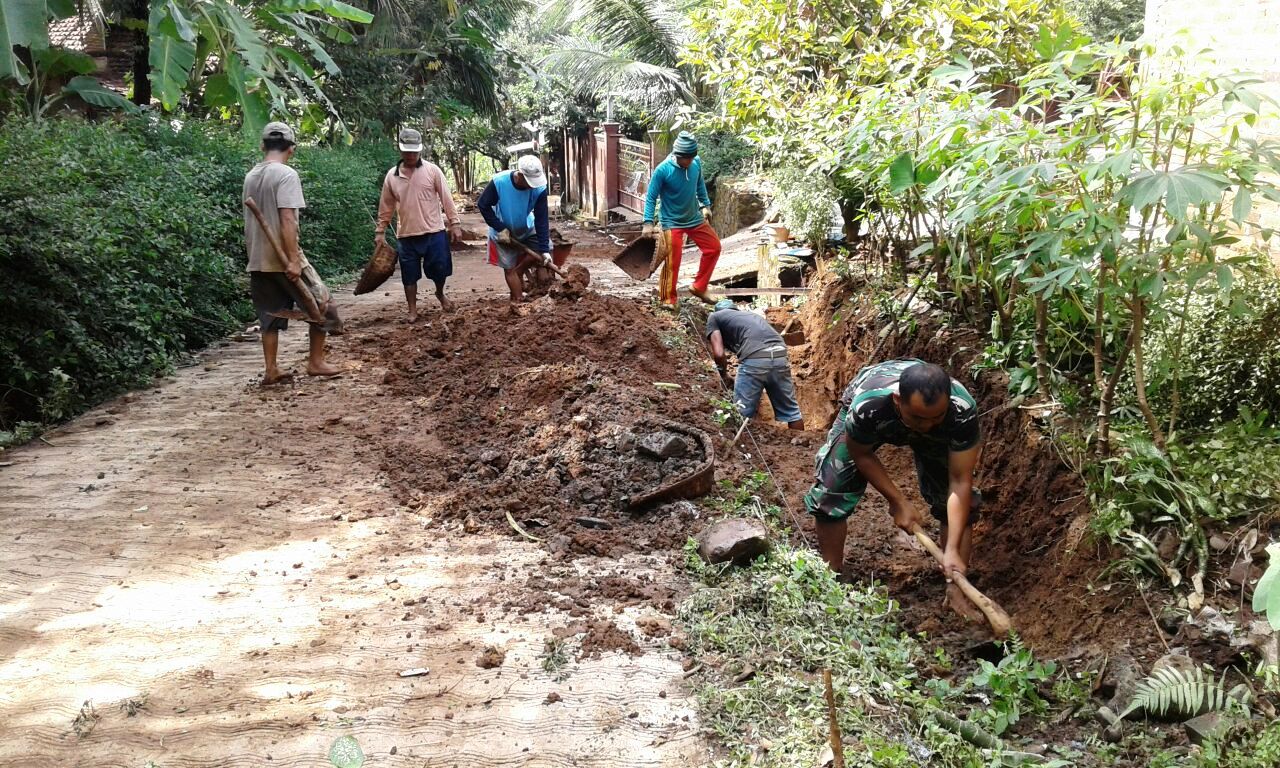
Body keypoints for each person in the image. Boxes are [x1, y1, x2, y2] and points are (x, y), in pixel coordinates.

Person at [803, 359, 984, 619]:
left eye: (936, 418)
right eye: (919, 418)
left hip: (936, 424)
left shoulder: (960, 410)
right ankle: (831, 574)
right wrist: (897, 501)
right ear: (898, 400)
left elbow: (960, 481)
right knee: (832, 488)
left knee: (960, 505)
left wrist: (952, 549)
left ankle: (957, 590)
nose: (928, 426)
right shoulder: (868, 405)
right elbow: (861, 454)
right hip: (874, 415)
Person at [243, 121, 342, 385]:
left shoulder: (251, 175)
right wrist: (294, 260)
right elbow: (288, 220)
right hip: (284, 258)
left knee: (269, 314)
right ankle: (316, 362)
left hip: (257, 257)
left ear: (263, 146)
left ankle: (271, 368)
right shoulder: (286, 175)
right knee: (323, 303)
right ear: (292, 149)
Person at [374, 128, 463, 323]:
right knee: (409, 275)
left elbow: (446, 198)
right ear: (400, 150)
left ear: (420, 150)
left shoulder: (432, 171)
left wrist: (454, 223)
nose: (411, 155)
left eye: (414, 152)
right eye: (407, 152)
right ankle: (412, 310)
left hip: (434, 232)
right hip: (406, 235)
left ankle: (440, 293)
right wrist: (380, 230)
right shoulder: (392, 176)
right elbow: (386, 206)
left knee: (440, 270)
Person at [643, 131, 720, 306]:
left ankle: (700, 286)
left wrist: (705, 206)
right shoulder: (663, 170)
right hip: (672, 222)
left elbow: (699, 184)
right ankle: (667, 299)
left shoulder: (695, 163)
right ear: (677, 155)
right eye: (686, 159)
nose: (689, 162)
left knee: (714, 247)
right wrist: (648, 222)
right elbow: (651, 197)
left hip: (693, 217)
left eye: (691, 158)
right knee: (673, 260)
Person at [705, 299, 804, 430]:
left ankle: (742, 447)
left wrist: (723, 375)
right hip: (780, 355)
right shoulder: (750, 316)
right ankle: (800, 447)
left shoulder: (714, 317)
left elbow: (718, 354)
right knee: (791, 412)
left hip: (755, 357)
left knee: (741, 411)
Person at [477, 155, 553, 307]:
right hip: (502, 230)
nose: (532, 186)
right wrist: (499, 227)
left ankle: (521, 271)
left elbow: (541, 219)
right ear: (520, 175)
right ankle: (519, 302)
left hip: (527, 226)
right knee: (509, 267)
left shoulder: (539, 189)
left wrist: (544, 249)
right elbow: (483, 205)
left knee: (544, 251)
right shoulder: (500, 182)